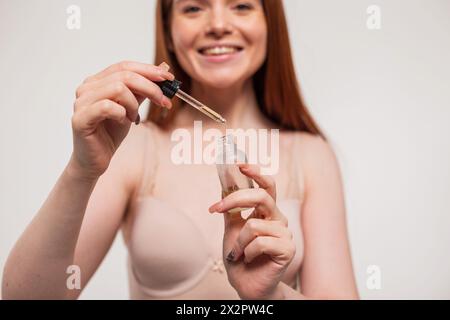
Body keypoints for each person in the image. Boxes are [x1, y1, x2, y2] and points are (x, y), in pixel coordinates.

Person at [2, 0, 359, 300]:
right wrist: (81, 170)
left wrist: (271, 296)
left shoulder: (311, 156)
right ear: (168, 30)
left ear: (270, 24)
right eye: (193, 7)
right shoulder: (131, 145)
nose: (218, 24)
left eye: (241, 5)